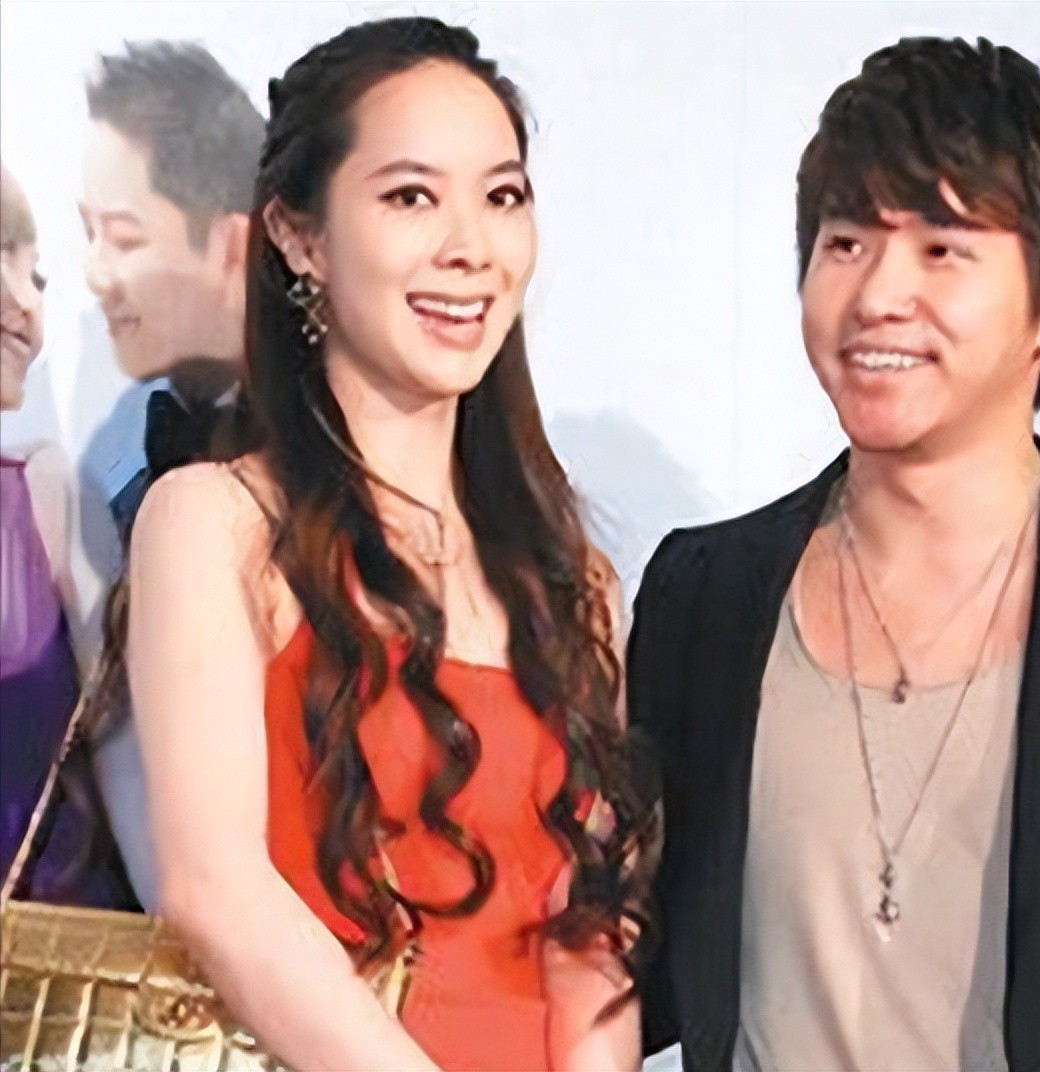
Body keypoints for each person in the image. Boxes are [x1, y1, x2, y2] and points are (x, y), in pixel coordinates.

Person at [629, 36, 1040, 1072]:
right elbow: (631, 964)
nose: (878, 294)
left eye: (941, 248)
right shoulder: (703, 594)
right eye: (846, 241)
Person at [123, 17, 656, 1072]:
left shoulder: (573, 583)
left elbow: (590, 934)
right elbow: (214, 887)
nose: (469, 246)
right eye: (410, 196)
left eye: (501, 196)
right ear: (299, 237)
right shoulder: (216, 524)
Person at [75, 40, 264, 908]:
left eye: (124, 239)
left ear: (231, 244)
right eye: (87, 235)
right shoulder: (117, 461)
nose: (94, 276)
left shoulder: (363, 450)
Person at [1, 163, 135, 908]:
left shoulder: (45, 495)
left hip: (53, 956)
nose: (24, 303)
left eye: (36, 277)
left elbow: (139, 770)